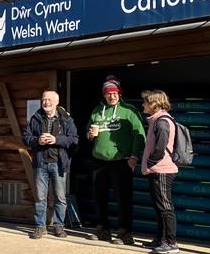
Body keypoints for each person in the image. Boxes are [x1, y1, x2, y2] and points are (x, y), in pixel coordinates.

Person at [86, 75, 146, 245]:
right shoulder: (97, 111)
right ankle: (102, 229)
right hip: (99, 161)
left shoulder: (129, 111)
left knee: (123, 199)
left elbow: (140, 135)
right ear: (103, 95)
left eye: (114, 93)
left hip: (122, 161)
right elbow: (88, 132)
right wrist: (90, 135)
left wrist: (134, 156)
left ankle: (125, 233)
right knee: (99, 197)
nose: (111, 96)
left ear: (119, 94)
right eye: (108, 94)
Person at [22, 91, 79, 239]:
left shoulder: (66, 119)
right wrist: (37, 141)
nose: (46, 102)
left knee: (60, 197)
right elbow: (26, 137)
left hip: (58, 164)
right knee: (41, 198)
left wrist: (56, 140)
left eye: (49, 100)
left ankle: (59, 226)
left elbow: (74, 140)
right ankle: (40, 226)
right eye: (43, 100)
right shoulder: (35, 118)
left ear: (57, 102)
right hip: (40, 163)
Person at [140, 90, 180, 254]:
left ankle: (171, 242)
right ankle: (160, 238)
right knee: (159, 206)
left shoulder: (162, 122)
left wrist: (150, 162)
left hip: (162, 170)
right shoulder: (156, 121)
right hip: (157, 169)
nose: (143, 105)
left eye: (145, 102)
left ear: (154, 104)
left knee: (165, 206)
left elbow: (160, 147)